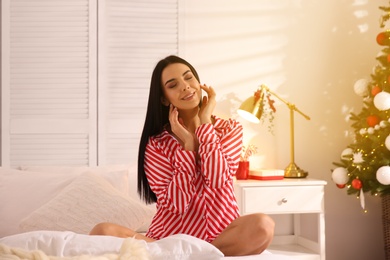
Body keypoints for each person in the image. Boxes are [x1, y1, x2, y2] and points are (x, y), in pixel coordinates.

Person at [90, 55, 275, 256]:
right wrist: (188, 148)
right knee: (102, 231)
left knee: (263, 225)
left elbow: (217, 179)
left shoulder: (228, 130)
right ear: (163, 98)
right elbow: (176, 205)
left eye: (189, 78)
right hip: (166, 242)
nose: (185, 86)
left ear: (199, 83)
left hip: (221, 238)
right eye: (173, 85)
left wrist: (205, 124)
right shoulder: (157, 144)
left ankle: (195, 255)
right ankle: (198, 255)